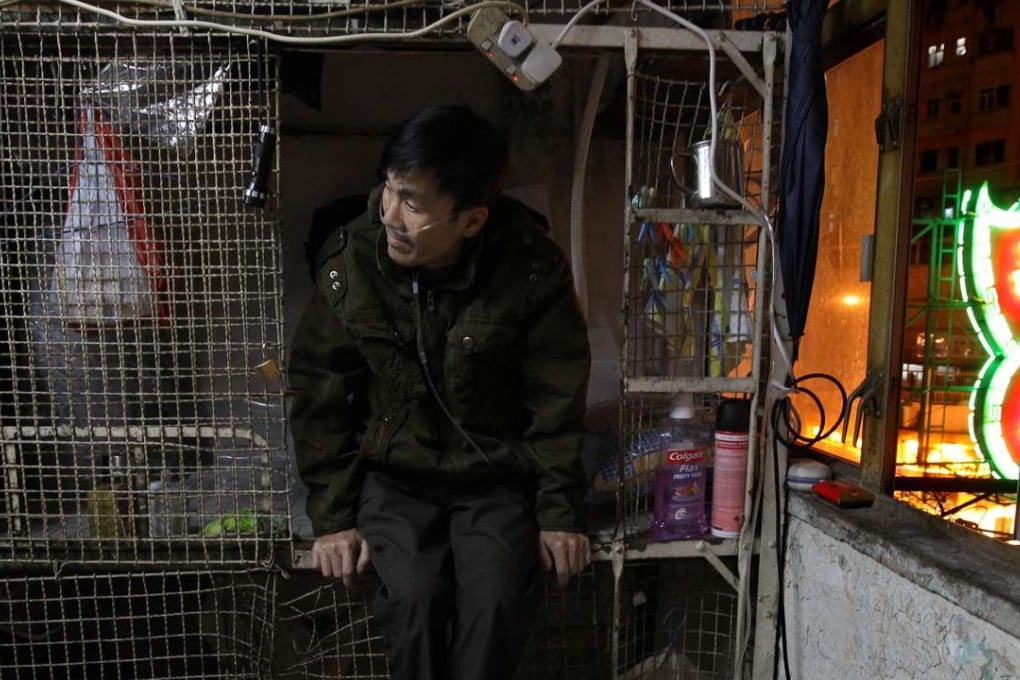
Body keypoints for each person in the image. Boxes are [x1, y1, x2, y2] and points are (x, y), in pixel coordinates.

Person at [288, 104, 592, 680]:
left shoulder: (529, 268)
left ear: (471, 221)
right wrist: (331, 519)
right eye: (390, 190)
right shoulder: (352, 260)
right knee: (415, 601)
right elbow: (318, 392)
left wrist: (559, 512)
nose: (392, 215)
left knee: (498, 600)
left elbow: (557, 398)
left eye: (414, 204)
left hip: (494, 476)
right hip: (396, 478)